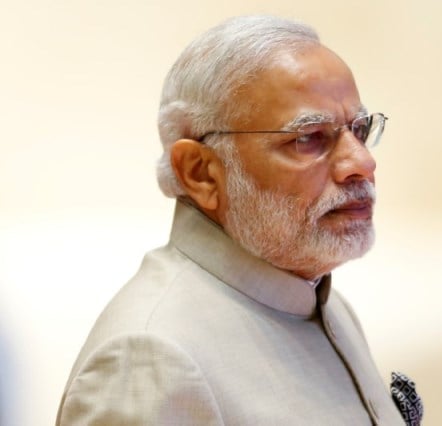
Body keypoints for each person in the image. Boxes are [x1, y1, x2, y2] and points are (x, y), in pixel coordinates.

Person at [57, 15, 416, 425]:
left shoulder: (323, 303)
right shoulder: (150, 359)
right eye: (307, 137)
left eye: (360, 129)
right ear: (201, 172)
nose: (362, 162)